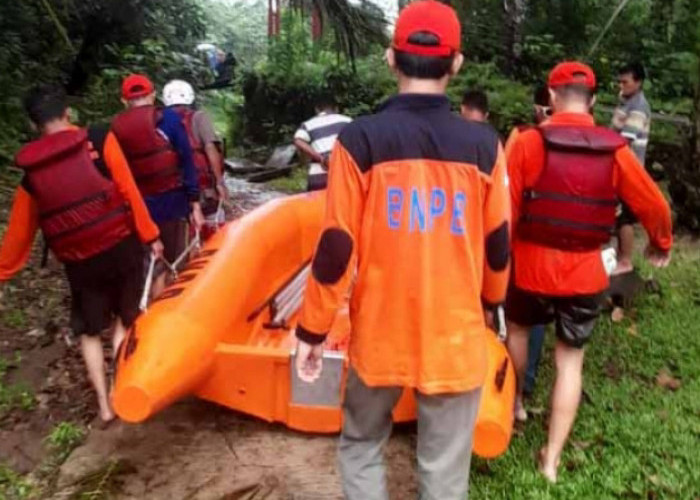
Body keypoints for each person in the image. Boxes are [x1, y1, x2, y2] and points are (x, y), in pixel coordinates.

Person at [294, 2, 511, 498]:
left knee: (362, 444)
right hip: (455, 337)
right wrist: (491, 303)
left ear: (391, 59)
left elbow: (335, 246)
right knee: (442, 470)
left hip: (379, 337)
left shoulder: (360, 140)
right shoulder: (483, 145)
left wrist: (312, 328)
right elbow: (498, 245)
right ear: (456, 64)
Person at [505, 61, 673, 483]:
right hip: (584, 274)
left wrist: (498, 259)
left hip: (529, 266)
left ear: (551, 95)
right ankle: (551, 461)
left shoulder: (526, 142)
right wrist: (662, 242)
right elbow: (654, 204)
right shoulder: (615, 149)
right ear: (594, 101)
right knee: (570, 363)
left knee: (520, 333)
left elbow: (502, 210)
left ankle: (514, 409)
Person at [0, 86, 163, 424]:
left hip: (79, 259)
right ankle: (122, 388)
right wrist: (151, 235)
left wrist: (4, 271)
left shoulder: (33, 171)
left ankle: (104, 407)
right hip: (121, 246)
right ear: (68, 114)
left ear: (33, 125)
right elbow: (128, 189)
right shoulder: (100, 138)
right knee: (126, 319)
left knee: (89, 331)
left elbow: (20, 233)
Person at [111, 74, 204, 298]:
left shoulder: (115, 128)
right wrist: (194, 201)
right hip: (172, 203)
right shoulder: (169, 119)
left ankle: (147, 310)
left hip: (138, 209)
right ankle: (169, 315)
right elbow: (186, 159)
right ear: (153, 95)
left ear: (124, 100)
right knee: (172, 264)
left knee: (150, 265)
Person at [505, 84, 552, 408]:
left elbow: (505, 191)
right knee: (555, 335)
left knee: (520, 324)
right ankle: (528, 383)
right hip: (570, 252)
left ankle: (516, 396)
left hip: (526, 247)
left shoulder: (521, 138)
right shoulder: (585, 145)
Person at [162, 79, 228, 238]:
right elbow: (210, 148)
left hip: (175, 189)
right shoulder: (199, 117)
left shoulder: (161, 121)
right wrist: (219, 182)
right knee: (214, 228)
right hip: (202, 187)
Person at [611, 62, 652, 275]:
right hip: (619, 167)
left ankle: (625, 260)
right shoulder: (626, 101)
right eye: (620, 81)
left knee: (624, 217)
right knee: (617, 215)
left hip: (630, 170)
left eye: (625, 81)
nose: (622, 85)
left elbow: (624, 140)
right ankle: (620, 258)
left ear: (638, 82)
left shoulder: (638, 107)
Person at [293, 94, 352, 192]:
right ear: (336, 108)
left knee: (317, 206)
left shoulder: (308, 124)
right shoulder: (347, 121)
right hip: (344, 175)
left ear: (317, 109)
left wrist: (321, 158)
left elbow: (298, 140)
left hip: (318, 176)